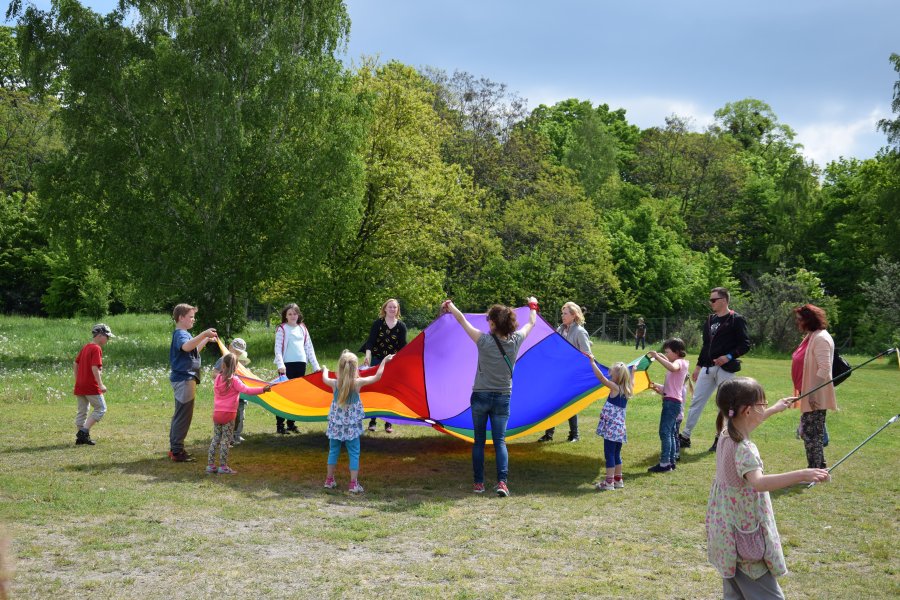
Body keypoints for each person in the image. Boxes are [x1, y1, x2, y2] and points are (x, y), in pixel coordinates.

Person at [706, 377, 829, 599]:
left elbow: (746, 421)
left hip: (727, 535)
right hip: (745, 541)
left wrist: (773, 409)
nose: (764, 407)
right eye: (762, 404)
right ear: (746, 410)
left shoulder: (725, 434)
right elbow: (759, 483)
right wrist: (803, 473)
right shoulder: (745, 448)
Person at [442, 297, 538, 497]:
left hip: (480, 396)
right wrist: (533, 305)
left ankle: (479, 483)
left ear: (493, 323)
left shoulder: (483, 340)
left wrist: (451, 306)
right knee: (499, 441)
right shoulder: (516, 340)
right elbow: (532, 322)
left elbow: (462, 321)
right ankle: (502, 483)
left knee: (478, 441)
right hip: (503, 397)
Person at [680, 287, 751, 453]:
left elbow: (745, 344)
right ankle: (685, 436)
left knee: (724, 405)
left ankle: (721, 437)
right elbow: (706, 346)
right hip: (707, 368)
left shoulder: (736, 319)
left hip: (725, 369)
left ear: (724, 300)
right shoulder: (710, 319)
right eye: (710, 299)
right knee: (697, 400)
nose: (710, 302)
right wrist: (698, 366)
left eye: (714, 300)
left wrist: (728, 356)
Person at [321, 351, 394, 493]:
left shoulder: (334, 383)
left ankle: (329, 480)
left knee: (333, 451)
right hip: (352, 427)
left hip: (336, 425)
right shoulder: (357, 383)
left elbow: (324, 377)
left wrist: (324, 369)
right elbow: (377, 376)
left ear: (340, 367)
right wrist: (384, 360)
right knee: (354, 452)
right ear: (355, 369)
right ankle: (353, 484)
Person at [206, 354, 271, 475]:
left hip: (217, 413)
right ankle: (223, 467)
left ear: (223, 365)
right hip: (229, 415)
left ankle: (210, 466)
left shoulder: (218, 378)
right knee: (226, 440)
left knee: (216, 438)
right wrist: (263, 389)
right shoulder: (234, 380)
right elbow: (247, 390)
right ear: (236, 367)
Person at [169, 303, 217, 462]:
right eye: (190, 317)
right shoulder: (181, 334)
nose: (193, 320)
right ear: (181, 318)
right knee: (183, 415)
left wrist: (205, 340)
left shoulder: (185, 334)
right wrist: (204, 334)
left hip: (185, 378)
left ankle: (175, 448)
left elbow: (193, 350)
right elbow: (187, 347)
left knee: (181, 414)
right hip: (184, 379)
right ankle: (177, 451)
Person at [791, 304, 837, 469]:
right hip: (808, 391)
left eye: (799, 320)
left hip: (815, 393)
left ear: (808, 320)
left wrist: (812, 392)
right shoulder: (811, 336)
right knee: (811, 432)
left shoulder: (821, 338)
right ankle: (819, 466)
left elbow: (824, 369)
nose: (798, 323)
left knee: (812, 434)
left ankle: (816, 470)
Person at [538, 302, 591, 443]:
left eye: (566, 313)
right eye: (562, 313)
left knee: (569, 403)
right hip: (557, 373)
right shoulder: (559, 330)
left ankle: (574, 435)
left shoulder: (580, 332)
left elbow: (587, 354)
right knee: (552, 402)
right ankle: (548, 434)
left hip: (572, 374)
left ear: (574, 315)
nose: (563, 316)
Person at [361, 298, 407, 433]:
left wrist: (402, 361)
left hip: (393, 362)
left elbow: (403, 347)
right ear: (385, 309)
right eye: (390, 307)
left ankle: (388, 423)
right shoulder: (378, 324)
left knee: (390, 391)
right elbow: (370, 342)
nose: (392, 309)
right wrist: (368, 355)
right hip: (376, 360)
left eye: (395, 307)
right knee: (375, 389)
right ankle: (372, 421)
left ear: (397, 310)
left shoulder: (401, 326)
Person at [273, 303, 320, 434]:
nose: (293, 316)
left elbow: (309, 348)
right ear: (285, 316)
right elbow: (277, 348)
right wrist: (280, 365)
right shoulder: (282, 328)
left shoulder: (303, 328)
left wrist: (316, 366)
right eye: (290, 314)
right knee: (284, 395)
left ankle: (291, 424)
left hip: (301, 364)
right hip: (286, 366)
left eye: (295, 313)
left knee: (295, 395)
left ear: (298, 315)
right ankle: (280, 425)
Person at [590, 359, 634, 491]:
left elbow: (601, 378)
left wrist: (592, 363)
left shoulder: (615, 388)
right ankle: (618, 480)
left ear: (617, 377)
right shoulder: (628, 390)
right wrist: (634, 372)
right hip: (620, 429)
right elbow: (633, 382)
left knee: (609, 454)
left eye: (612, 373)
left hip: (611, 429)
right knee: (616, 454)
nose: (609, 374)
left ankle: (609, 483)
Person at [647, 338, 690, 472]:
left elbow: (672, 367)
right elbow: (670, 388)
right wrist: (657, 387)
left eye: (667, 352)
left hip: (671, 403)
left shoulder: (679, 362)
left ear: (677, 351)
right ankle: (670, 462)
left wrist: (658, 358)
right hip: (671, 400)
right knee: (670, 433)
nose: (666, 355)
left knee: (665, 432)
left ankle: (664, 463)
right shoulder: (679, 362)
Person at [73, 323, 115, 446]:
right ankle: (84, 432)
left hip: (80, 385)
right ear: (100, 335)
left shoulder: (86, 347)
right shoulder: (96, 348)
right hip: (91, 386)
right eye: (107, 336)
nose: (108, 339)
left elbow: (75, 364)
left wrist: (78, 380)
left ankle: (81, 438)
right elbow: (95, 367)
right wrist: (101, 384)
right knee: (101, 408)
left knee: (82, 411)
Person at [213, 338, 250, 445]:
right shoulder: (224, 359)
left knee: (240, 415)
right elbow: (214, 374)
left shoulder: (239, 361)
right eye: (235, 351)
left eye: (239, 352)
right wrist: (226, 376)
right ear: (229, 347)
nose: (237, 354)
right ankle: (226, 437)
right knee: (229, 416)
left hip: (239, 393)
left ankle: (236, 434)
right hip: (227, 395)